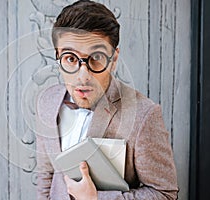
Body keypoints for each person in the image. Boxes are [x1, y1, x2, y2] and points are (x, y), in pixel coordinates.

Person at [35, 0, 179, 199]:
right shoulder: (47, 102)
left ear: (114, 58)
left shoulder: (144, 115)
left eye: (97, 57)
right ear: (57, 57)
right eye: (70, 58)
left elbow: (165, 193)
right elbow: (47, 174)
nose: (83, 76)